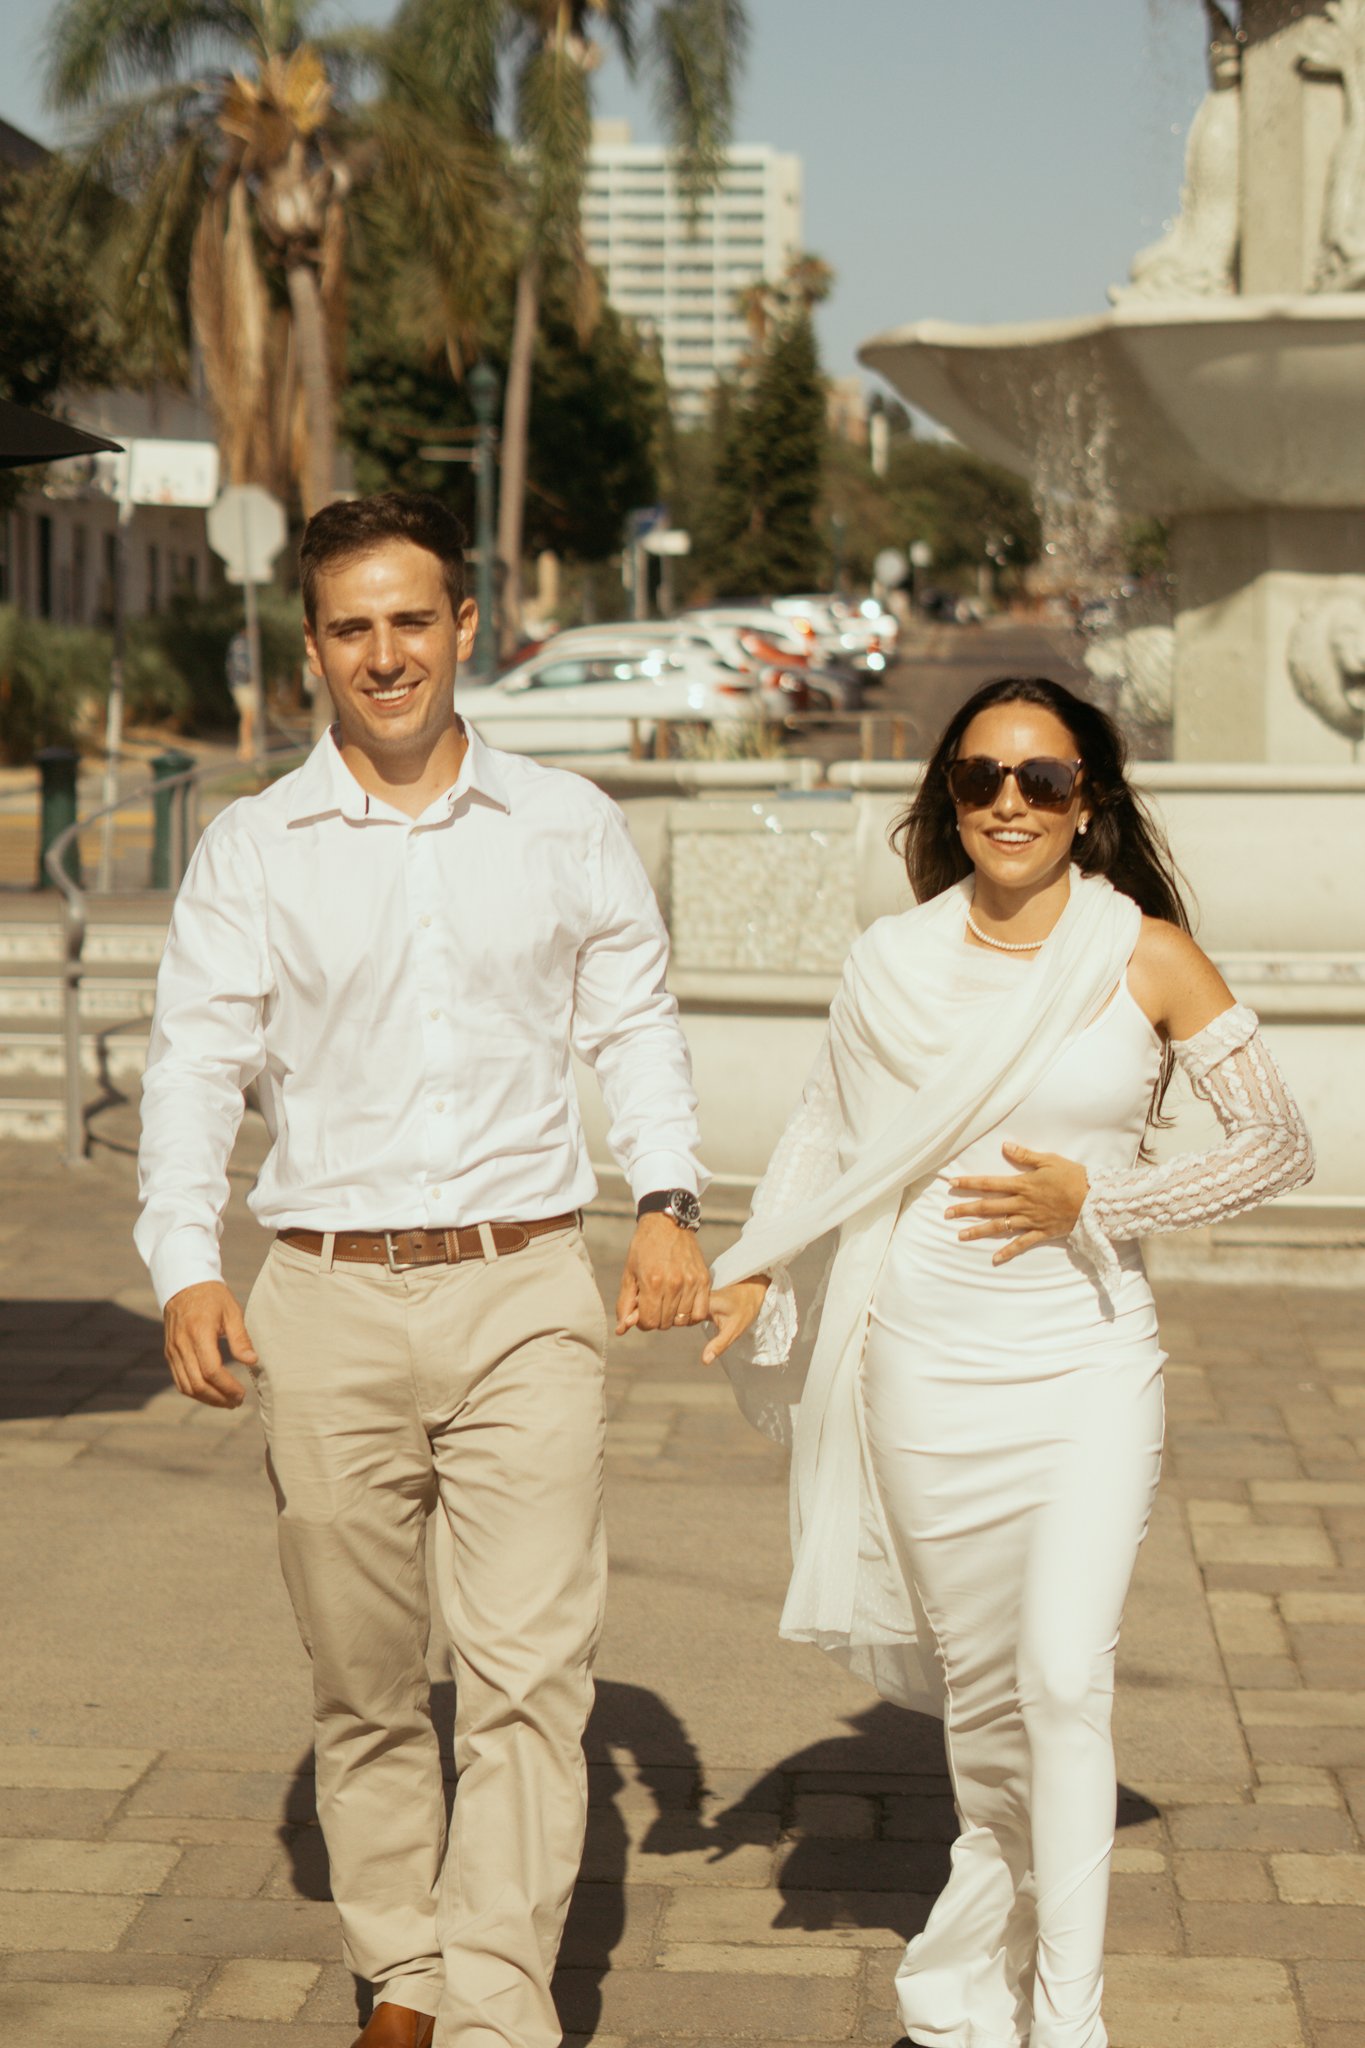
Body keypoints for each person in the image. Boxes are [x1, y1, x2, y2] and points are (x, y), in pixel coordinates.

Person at [135, 491, 710, 2048]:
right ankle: (404, 1963)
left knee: (531, 1672)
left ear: (466, 628)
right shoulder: (255, 847)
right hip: (320, 1291)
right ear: (312, 646)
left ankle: (496, 2009)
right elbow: (194, 1069)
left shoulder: (566, 822)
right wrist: (188, 1263)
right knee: (367, 1673)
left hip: (527, 1283)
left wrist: (666, 1196)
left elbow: (632, 1027)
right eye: (351, 627)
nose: (385, 655)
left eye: (412, 620)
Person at [703, 676, 1313, 2048]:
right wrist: (755, 1263)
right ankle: (970, 1973)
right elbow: (823, 1132)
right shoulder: (889, 962)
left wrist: (1101, 1202)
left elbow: (1280, 1145)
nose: (1009, 803)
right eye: (981, 778)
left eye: (1041, 779)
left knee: (1059, 1677)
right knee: (985, 1713)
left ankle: (1067, 2021)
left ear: (1084, 800)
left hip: (1091, 1369)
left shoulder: (1141, 954)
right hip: (919, 1371)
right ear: (948, 800)